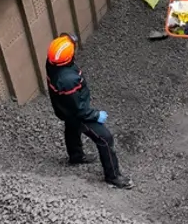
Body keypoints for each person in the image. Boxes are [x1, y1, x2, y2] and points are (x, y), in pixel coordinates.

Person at [45, 33, 133, 189]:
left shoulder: (52, 63)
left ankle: (76, 156)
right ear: (67, 59)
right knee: (105, 138)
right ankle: (113, 176)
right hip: (76, 114)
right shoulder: (67, 80)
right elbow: (78, 109)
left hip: (64, 109)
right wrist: (96, 115)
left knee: (71, 128)